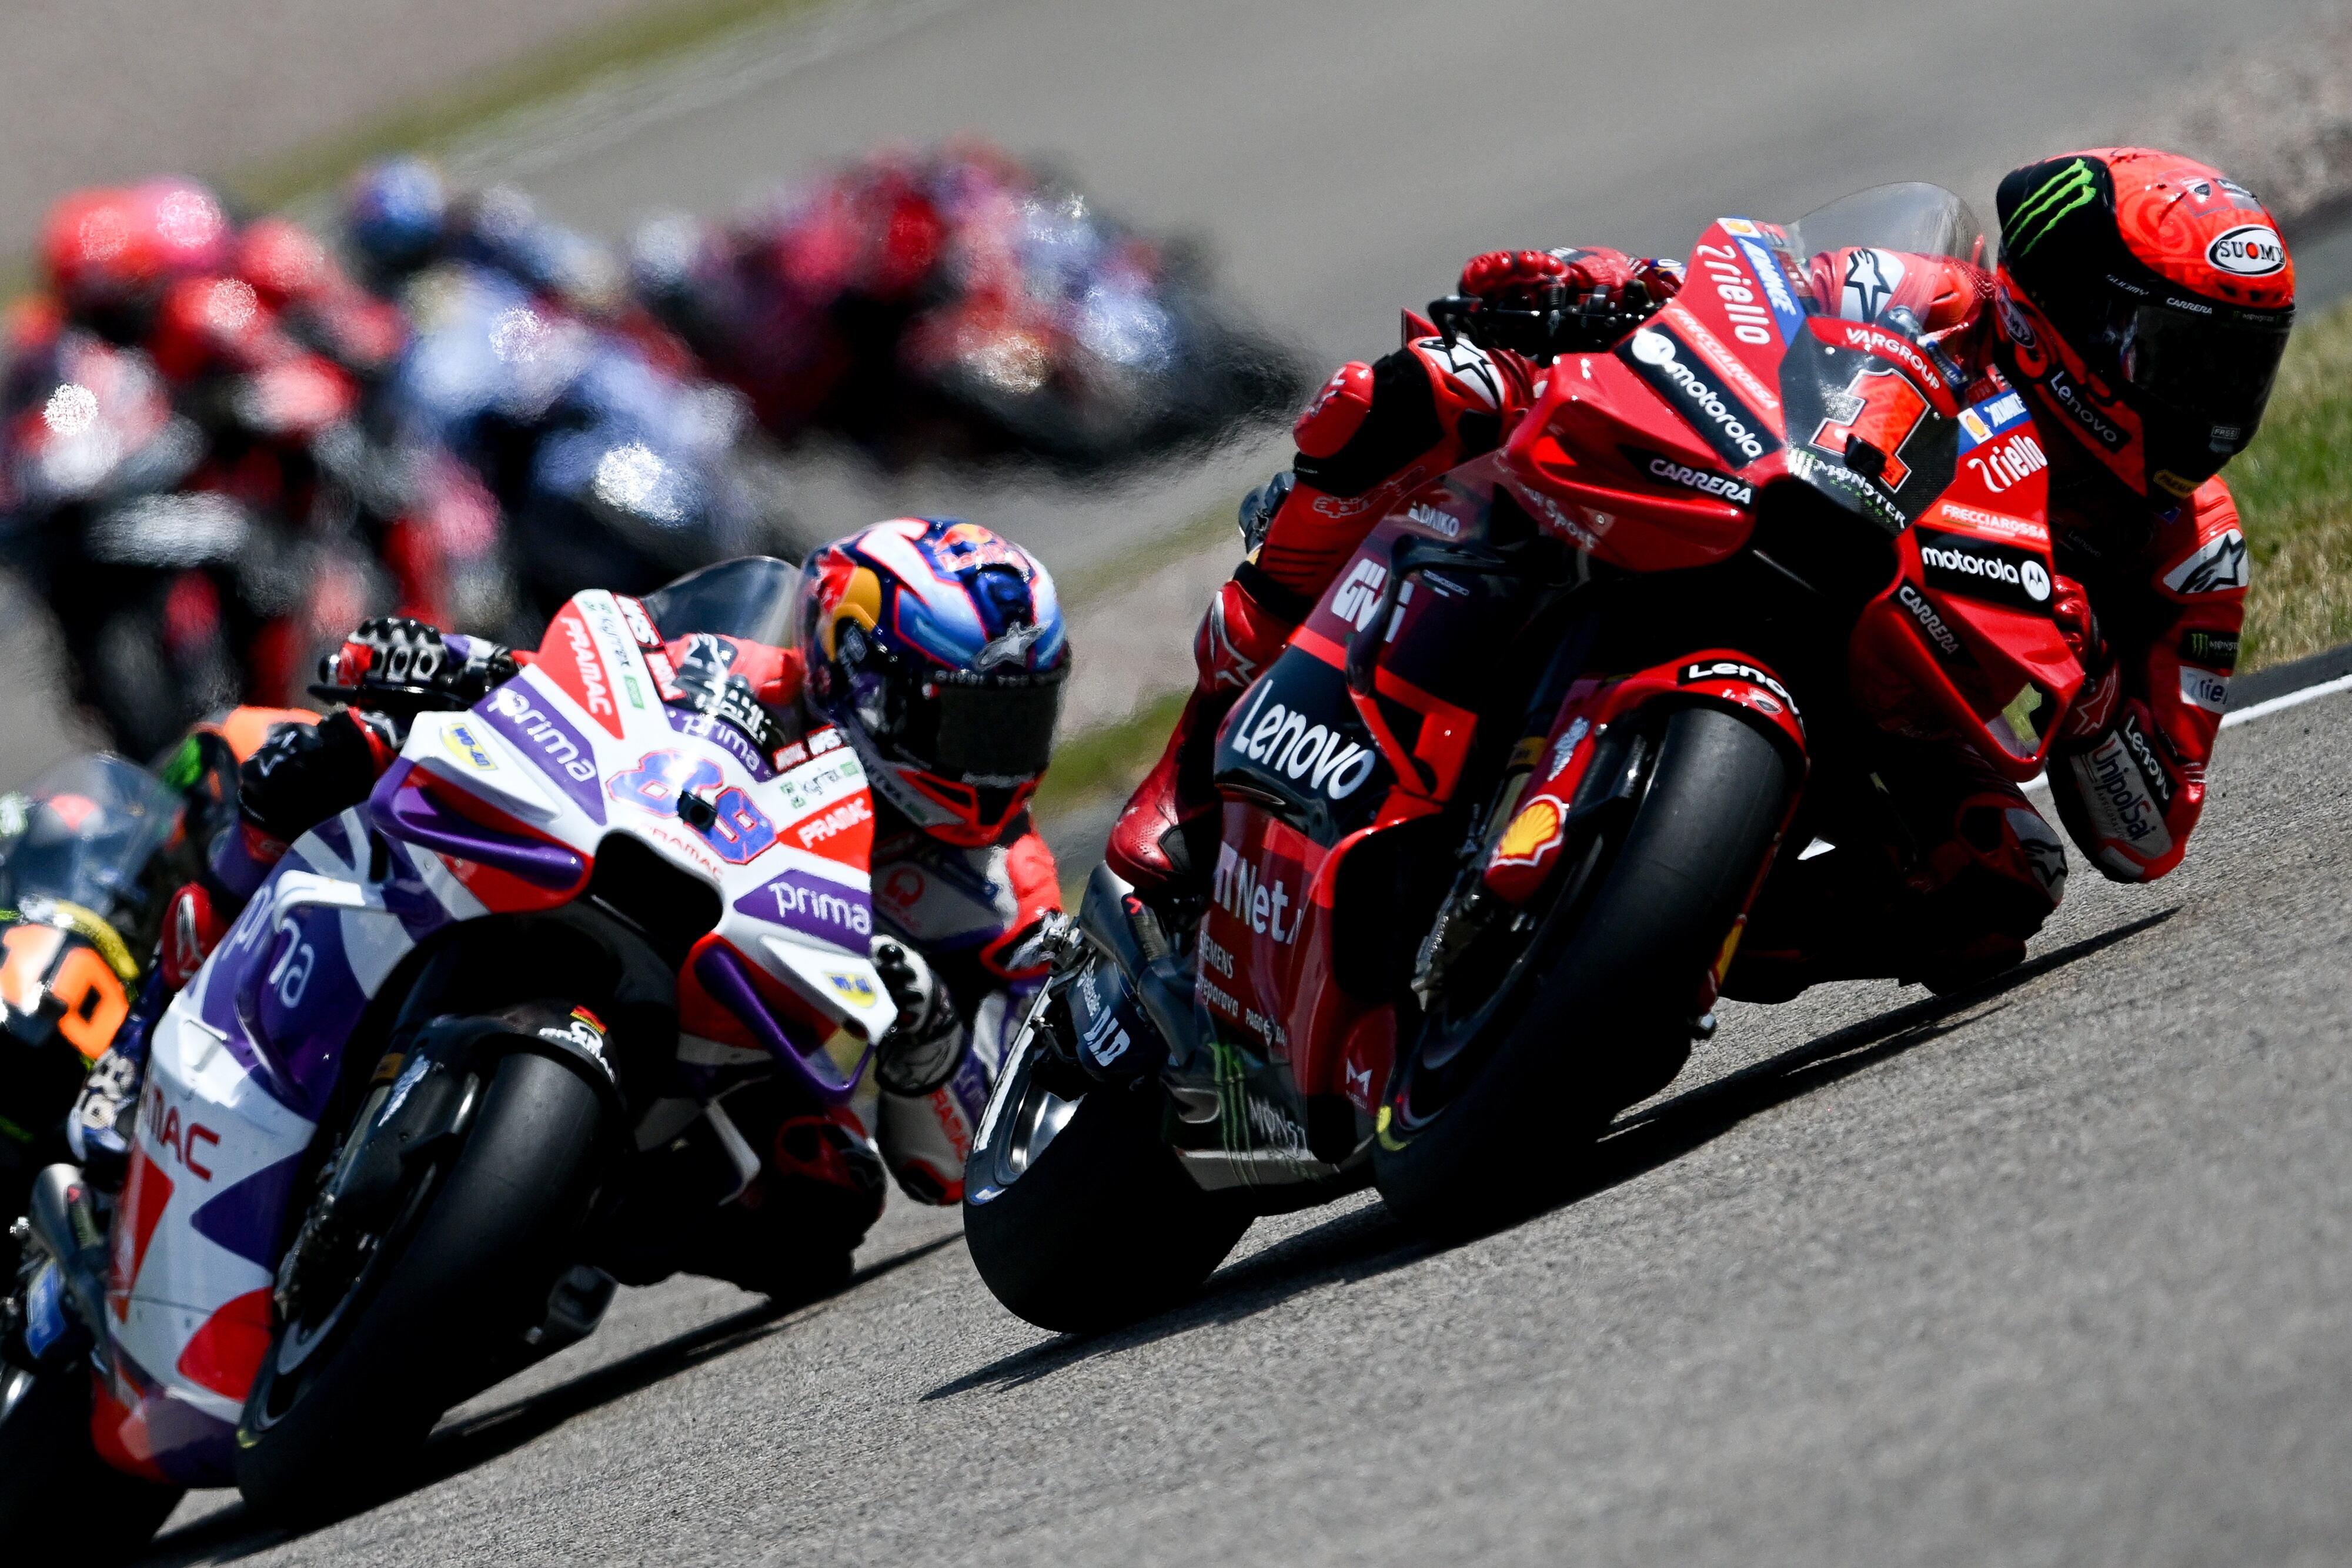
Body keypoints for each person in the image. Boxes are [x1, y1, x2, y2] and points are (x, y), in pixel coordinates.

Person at [1107, 146, 2291, 995]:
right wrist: (1608, 287)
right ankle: (1201, 749)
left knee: (1996, 879)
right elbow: (1740, 305)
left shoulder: (2190, 546)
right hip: (1734, 511)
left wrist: (2083, 695)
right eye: (2181, 355)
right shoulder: (1929, 299)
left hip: (1882, 725)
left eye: (2235, 369)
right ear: (2075, 307)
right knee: (1430, 391)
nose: (2208, 404)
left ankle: (1670, 936)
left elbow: (2147, 833)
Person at [70, 518, 1068, 1292]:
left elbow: (964, 1157)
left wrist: (930, 1033)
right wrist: (451, 665)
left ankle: (532, 1231)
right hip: (623, 884)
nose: (999, 757)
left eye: (1025, 715)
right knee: (274, 749)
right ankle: (136, 1041)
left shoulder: (1000, 884)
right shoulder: (746, 663)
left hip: (740, 1056)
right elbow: (587, 684)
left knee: (823, 1203)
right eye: (975, 717)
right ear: (867, 676)